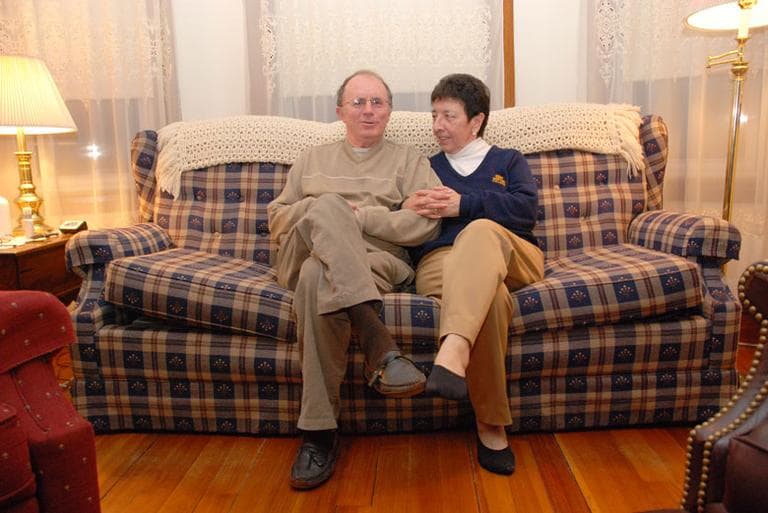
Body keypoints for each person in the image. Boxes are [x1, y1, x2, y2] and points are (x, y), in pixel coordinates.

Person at [268, 70, 442, 490]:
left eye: (378, 102)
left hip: (378, 262)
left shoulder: (410, 161)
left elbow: (426, 224)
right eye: (359, 103)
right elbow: (277, 219)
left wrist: (359, 217)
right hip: (303, 251)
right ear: (340, 112)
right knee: (325, 208)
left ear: (389, 111)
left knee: (317, 276)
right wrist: (323, 211)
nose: (369, 111)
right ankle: (378, 344)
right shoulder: (312, 158)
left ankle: (318, 435)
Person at [404, 73, 545, 475]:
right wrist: (411, 208)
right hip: (443, 262)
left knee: (480, 230)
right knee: (492, 300)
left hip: (511, 253)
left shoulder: (509, 160)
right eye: (434, 115)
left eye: (448, 115)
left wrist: (464, 204)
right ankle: (491, 424)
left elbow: (525, 211)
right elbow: (412, 233)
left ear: (476, 120)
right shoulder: (425, 167)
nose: (437, 126)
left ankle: (452, 351)